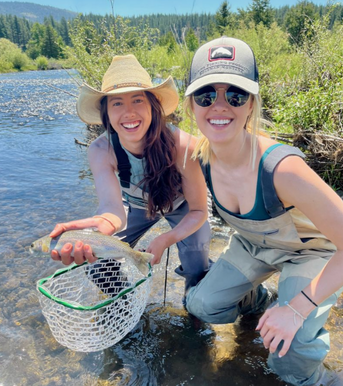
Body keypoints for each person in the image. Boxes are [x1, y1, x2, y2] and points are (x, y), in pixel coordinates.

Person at [183, 36, 343, 385]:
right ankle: (260, 300)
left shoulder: (282, 169)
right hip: (255, 246)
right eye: (206, 95)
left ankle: (321, 379)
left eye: (235, 95)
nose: (220, 106)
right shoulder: (198, 157)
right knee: (201, 305)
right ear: (191, 106)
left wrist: (296, 308)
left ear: (252, 104)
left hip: (310, 253)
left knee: (290, 355)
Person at [49, 54, 211, 295]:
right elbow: (112, 209)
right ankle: (126, 304)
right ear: (106, 113)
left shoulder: (184, 146)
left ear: (153, 105)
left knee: (197, 269)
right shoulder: (100, 150)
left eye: (137, 100)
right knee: (98, 264)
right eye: (117, 103)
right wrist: (101, 227)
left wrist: (166, 238)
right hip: (136, 206)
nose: (129, 112)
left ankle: (195, 308)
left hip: (183, 208)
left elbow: (199, 211)